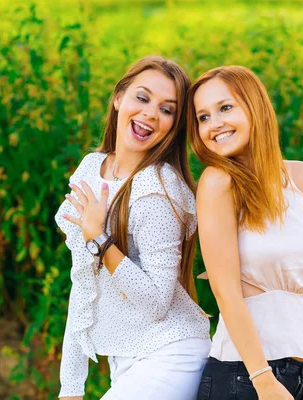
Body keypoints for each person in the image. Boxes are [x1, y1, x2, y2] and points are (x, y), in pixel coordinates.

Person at [55, 55, 211, 400]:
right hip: (126, 358)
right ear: (118, 98)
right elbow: (82, 283)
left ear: (174, 125)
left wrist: (100, 240)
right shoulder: (92, 169)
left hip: (170, 353)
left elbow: (156, 301)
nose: (151, 114)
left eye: (167, 109)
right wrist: (70, 388)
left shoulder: (156, 187)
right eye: (142, 98)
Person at [187, 66, 303, 400]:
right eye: (203, 117)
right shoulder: (219, 182)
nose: (214, 124)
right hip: (243, 375)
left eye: (225, 108)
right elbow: (225, 289)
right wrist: (263, 379)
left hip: (300, 372)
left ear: (255, 106)